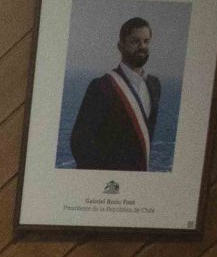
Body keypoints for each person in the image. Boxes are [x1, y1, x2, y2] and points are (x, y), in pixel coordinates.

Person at [68, 15, 161, 173]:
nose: (142, 46)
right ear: (120, 46)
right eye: (135, 41)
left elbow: (145, 137)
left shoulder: (154, 85)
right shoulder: (102, 86)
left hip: (139, 178)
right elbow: (79, 142)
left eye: (146, 41)